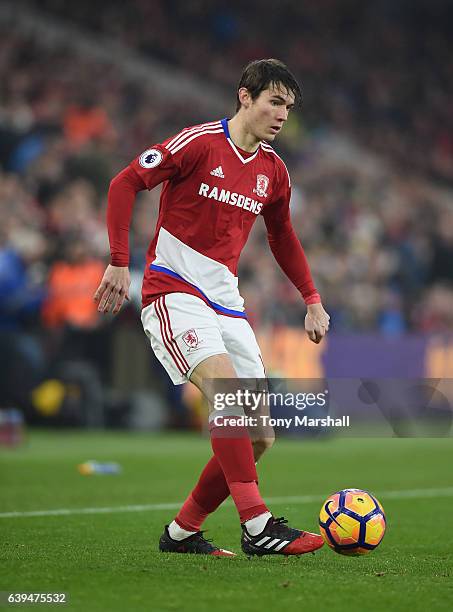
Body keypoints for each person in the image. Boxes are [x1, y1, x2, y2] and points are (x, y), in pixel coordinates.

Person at [94, 59, 330, 558]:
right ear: (245, 96)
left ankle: (181, 533)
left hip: (226, 301)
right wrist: (119, 262)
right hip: (174, 290)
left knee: (261, 435)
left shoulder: (273, 170)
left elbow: (282, 235)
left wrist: (312, 299)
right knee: (226, 395)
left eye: (288, 106)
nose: (283, 114)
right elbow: (124, 183)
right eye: (274, 102)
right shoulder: (198, 142)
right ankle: (257, 525)